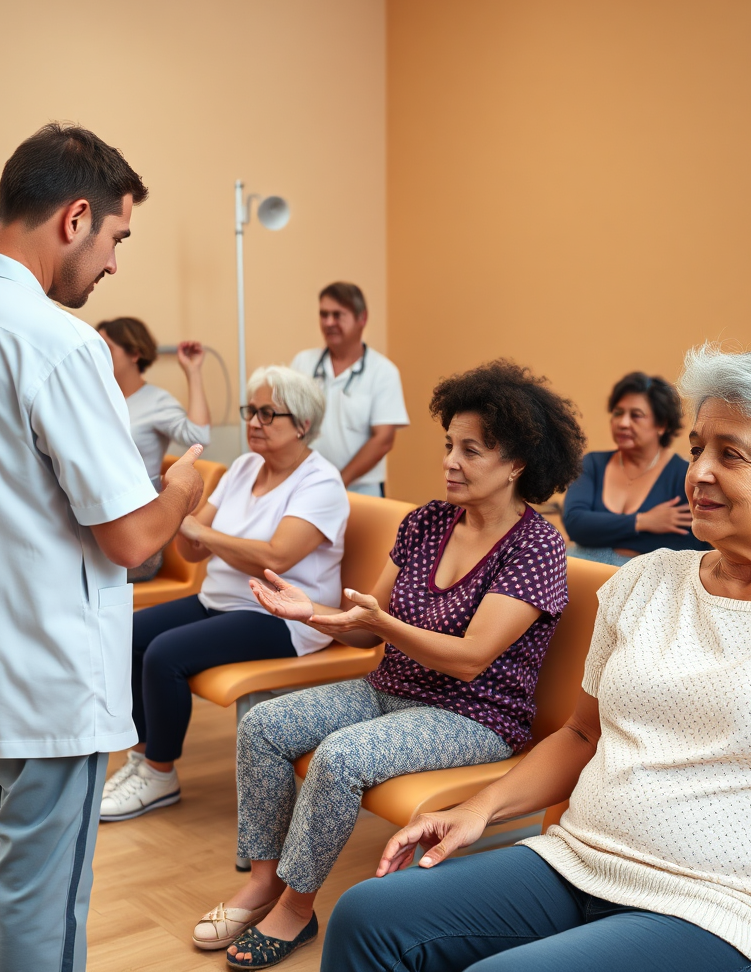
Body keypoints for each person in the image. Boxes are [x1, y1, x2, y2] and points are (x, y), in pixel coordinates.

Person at [323, 343, 751, 972]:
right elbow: (581, 733)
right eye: (697, 450)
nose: (699, 472)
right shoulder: (646, 581)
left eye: (731, 454)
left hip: (727, 911)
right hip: (580, 861)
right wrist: (480, 808)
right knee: (368, 916)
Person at [189, 360, 585, 967]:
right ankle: (264, 881)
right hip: (388, 686)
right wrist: (313, 614)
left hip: (473, 716)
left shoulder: (535, 548)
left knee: (340, 759)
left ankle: (296, 908)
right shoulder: (425, 522)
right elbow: (362, 627)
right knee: (263, 725)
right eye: (449, 445)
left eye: (471, 451)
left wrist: (379, 625)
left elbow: (471, 660)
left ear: (517, 464)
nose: (450, 461)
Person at [0, 123, 205, 972]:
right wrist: (181, 492)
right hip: (46, 678)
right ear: (75, 217)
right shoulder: (57, 343)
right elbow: (129, 537)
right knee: (37, 893)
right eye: (117, 239)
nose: (115, 265)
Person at [99, 366, 349, 821]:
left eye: (268, 413)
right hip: (221, 601)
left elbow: (277, 557)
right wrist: (184, 522)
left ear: (303, 425)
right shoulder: (244, 466)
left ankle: (160, 773)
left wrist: (196, 528)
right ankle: (143, 754)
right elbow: (192, 548)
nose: (254, 421)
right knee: (129, 633)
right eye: (251, 410)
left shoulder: (322, 483)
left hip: (283, 618)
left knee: (164, 653)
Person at [96, 316, 212, 581]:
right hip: (102, 519)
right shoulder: (100, 399)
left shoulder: (155, 402)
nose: (99, 355)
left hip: (138, 534)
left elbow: (199, 435)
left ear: (134, 353)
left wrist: (192, 371)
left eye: (107, 348)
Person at [562, 371, 706, 564]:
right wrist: (644, 522)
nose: (623, 423)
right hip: (583, 566)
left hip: (650, 578)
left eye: (636, 415)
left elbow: (693, 544)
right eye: (618, 413)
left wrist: (600, 529)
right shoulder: (592, 464)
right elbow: (575, 525)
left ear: (661, 424)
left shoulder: (684, 475)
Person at [290, 282, 409, 496]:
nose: (328, 322)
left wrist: (337, 480)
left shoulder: (383, 372)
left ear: (362, 319)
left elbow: (383, 440)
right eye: (324, 314)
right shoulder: (303, 363)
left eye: (337, 315)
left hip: (361, 489)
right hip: (305, 484)